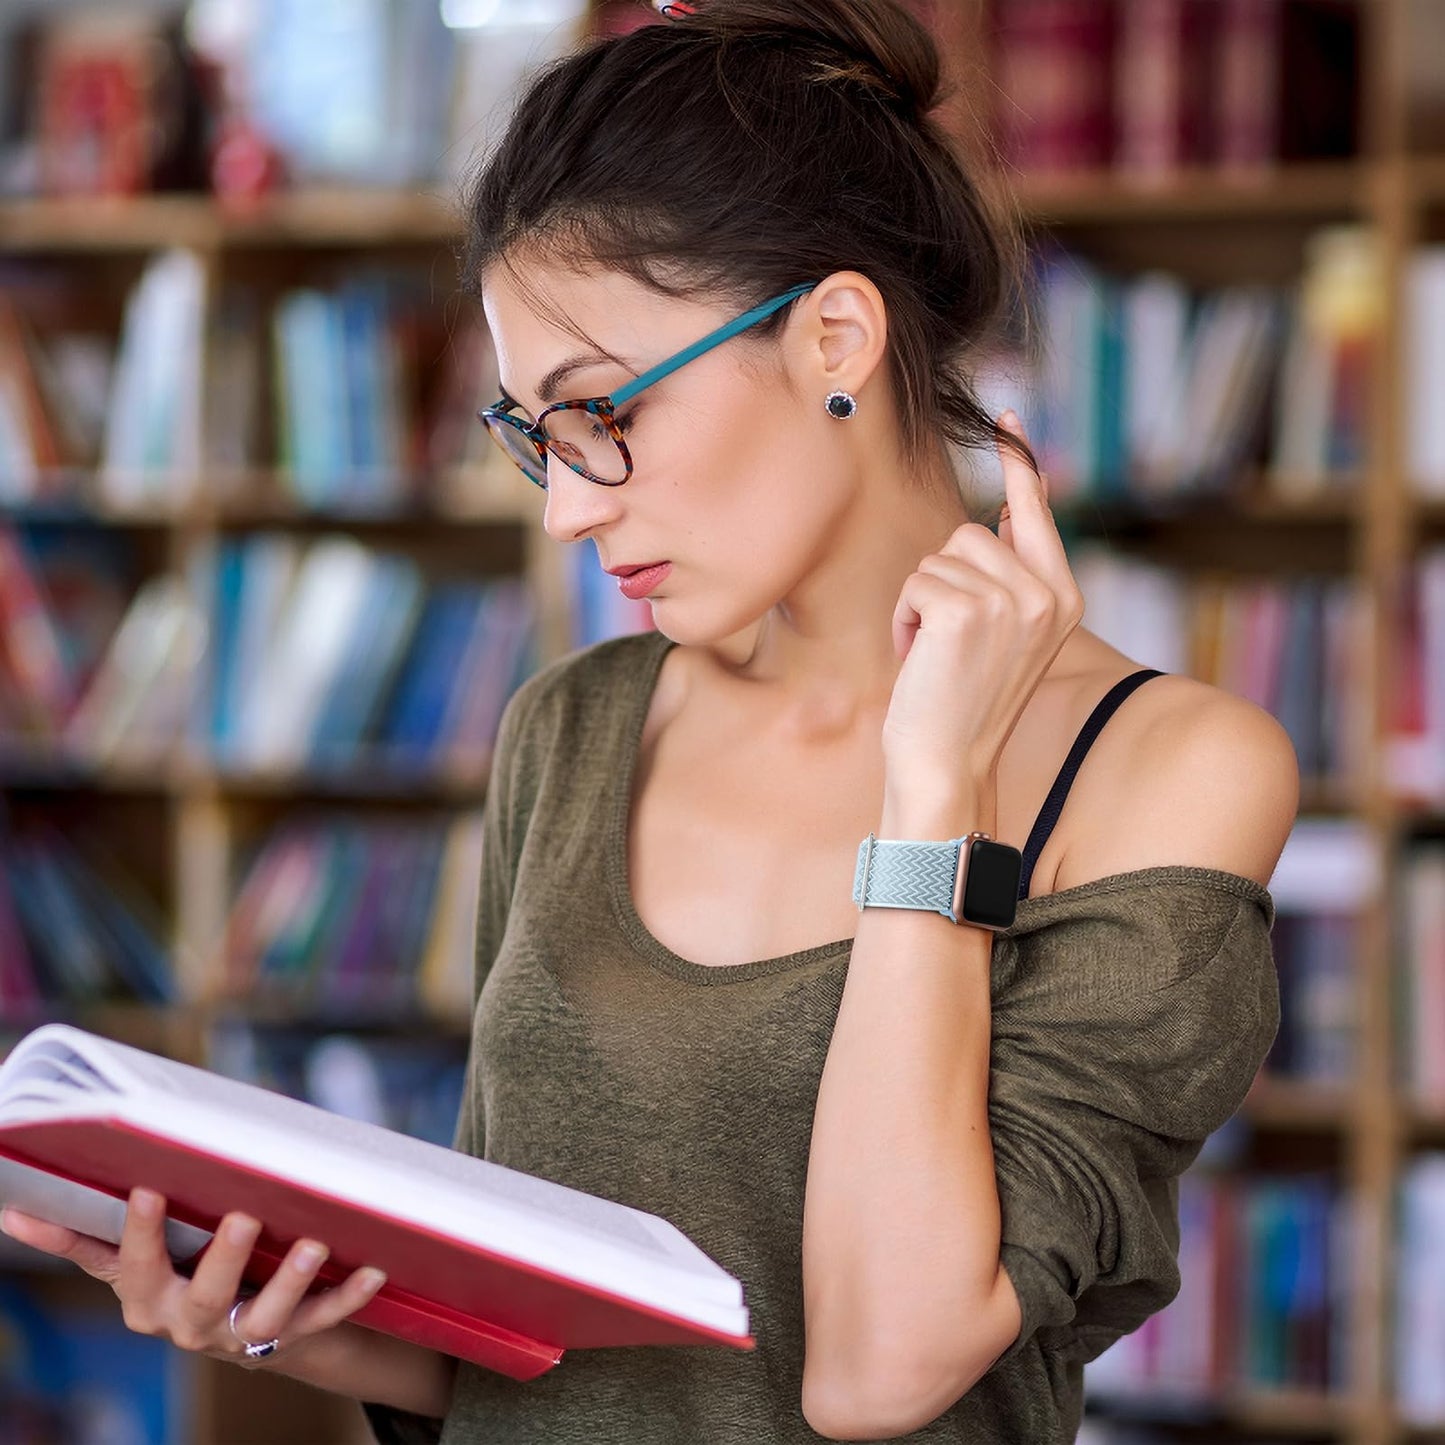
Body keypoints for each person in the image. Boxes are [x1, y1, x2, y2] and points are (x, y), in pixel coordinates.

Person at [1, 1, 1297, 1440]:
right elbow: (522, 1349)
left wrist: (934, 785)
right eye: (534, 436)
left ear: (834, 338)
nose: (567, 506)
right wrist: (271, 1313)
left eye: (601, 409)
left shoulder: (1167, 766)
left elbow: (883, 1368)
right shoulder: (573, 726)